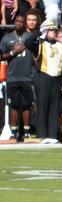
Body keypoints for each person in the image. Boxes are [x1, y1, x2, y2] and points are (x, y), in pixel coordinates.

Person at [0, 13, 38, 142]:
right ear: (14, 22)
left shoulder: (30, 37)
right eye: (17, 22)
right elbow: (2, 56)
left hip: (27, 76)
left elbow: (37, 53)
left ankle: (26, 132)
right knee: (15, 106)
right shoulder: (7, 37)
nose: (19, 24)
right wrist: (13, 52)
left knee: (27, 105)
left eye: (22, 22)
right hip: (13, 76)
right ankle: (14, 132)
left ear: (25, 23)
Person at [31, 19, 62, 144]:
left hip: (57, 79)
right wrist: (39, 33)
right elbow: (27, 42)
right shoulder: (40, 43)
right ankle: (43, 135)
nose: (54, 32)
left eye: (55, 30)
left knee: (55, 108)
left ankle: (53, 135)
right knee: (43, 107)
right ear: (46, 31)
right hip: (43, 77)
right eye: (51, 30)